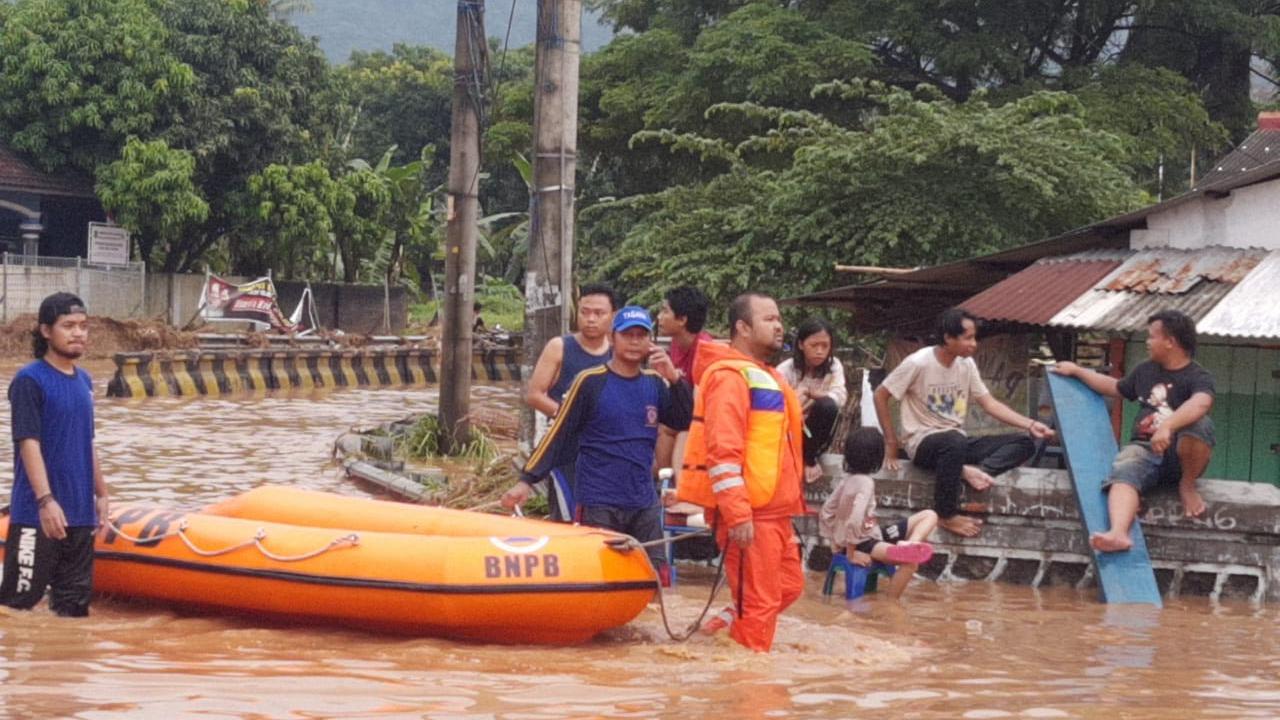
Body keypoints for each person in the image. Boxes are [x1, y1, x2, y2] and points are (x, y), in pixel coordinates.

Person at [503, 306, 690, 574]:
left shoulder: (655, 383)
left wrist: (675, 379)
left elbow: (684, 420)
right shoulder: (590, 382)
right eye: (628, 335)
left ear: (651, 341)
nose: (635, 342)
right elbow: (560, 434)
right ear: (613, 338)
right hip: (600, 500)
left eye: (641, 335)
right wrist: (527, 480)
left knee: (655, 576)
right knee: (603, 573)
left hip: (643, 499)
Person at [676, 292, 805, 652]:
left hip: (777, 511)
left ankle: (721, 632)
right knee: (760, 605)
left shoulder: (763, 375)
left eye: (779, 318)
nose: (779, 326)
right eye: (769, 319)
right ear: (742, 328)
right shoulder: (730, 378)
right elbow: (723, 451)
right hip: (752, 512)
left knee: (788, 588)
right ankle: (752, 692)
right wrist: (736, 512)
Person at [873, 308, 1054, 538]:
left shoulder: (966, 365)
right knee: (954, 441)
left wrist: (1030, 424)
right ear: (948, 338)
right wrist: (891, 441)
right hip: (922, 443)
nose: (974, 344)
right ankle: (946, 514)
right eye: (968, 338)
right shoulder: (918, 362)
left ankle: (971, 472)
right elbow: (880, 394)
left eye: (974, 337)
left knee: (1024, 443)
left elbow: (989, 403)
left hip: (955, 444)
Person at [1051, 310, 1214, 552]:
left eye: (1151, 337)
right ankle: (1118, 533)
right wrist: (1077, 371)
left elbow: (1201, 403)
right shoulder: (1145, 370)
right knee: (1124, 468)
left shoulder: (1198, 376)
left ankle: (1186, 485)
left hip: (1180, 454)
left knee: (1201, 424)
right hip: (1146, 450)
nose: (1147, 342)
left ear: (1170, 342)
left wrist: (1168, 426)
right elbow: (1115, 387)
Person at [0, 292, 109, 616]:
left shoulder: (85, 381)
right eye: (68, 325)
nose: (78, 333)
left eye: (83, 326)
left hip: (79, 514)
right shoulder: (30, 380)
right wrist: (45, 501)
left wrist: (102, 494)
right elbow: (28, 443)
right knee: (15, 608)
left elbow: (87, 442)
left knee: (73, 613)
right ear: (46, 331)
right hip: (38, 516)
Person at [522, 283, 617, 520]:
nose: (591, 319)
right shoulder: (560, 347)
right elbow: (534, 394)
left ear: (612, 316)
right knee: (565, 514)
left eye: (599, 313)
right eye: (585, 312)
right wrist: (570, 418)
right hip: (565, 450)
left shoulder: (618, 353)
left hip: (604, 453)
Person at [819, 427, 937, 600]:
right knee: (910, 564)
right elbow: (855, 520)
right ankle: (890, 604)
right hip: (865, 543)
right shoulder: (866, 484)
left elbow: (826, 511)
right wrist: (851, 553)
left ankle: (909, 544)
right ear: (877, 457)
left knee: (930, 515)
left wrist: (835, 540)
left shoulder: (847, 480)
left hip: (873, 534)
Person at [776, 317, 847, 483]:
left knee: (828, 406)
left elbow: (840, 397)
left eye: (825, 346)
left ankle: (810, 459)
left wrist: (812, 394)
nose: (820, 351)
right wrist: (797, 398)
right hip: (788, 430)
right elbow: (777, 405)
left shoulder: (834, 365)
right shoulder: (786, 369)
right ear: (801, 345)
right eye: (814, 346)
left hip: (816, 434)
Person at [655, 285, 712, 471]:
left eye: (665, 311)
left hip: (703, 422)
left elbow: (698, 408)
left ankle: (673, 488)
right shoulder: (676, 344)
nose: (659, 317)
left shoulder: (705, 351)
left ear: (682, 319)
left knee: (675, 431)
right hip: (682, 415)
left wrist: (674, 379)